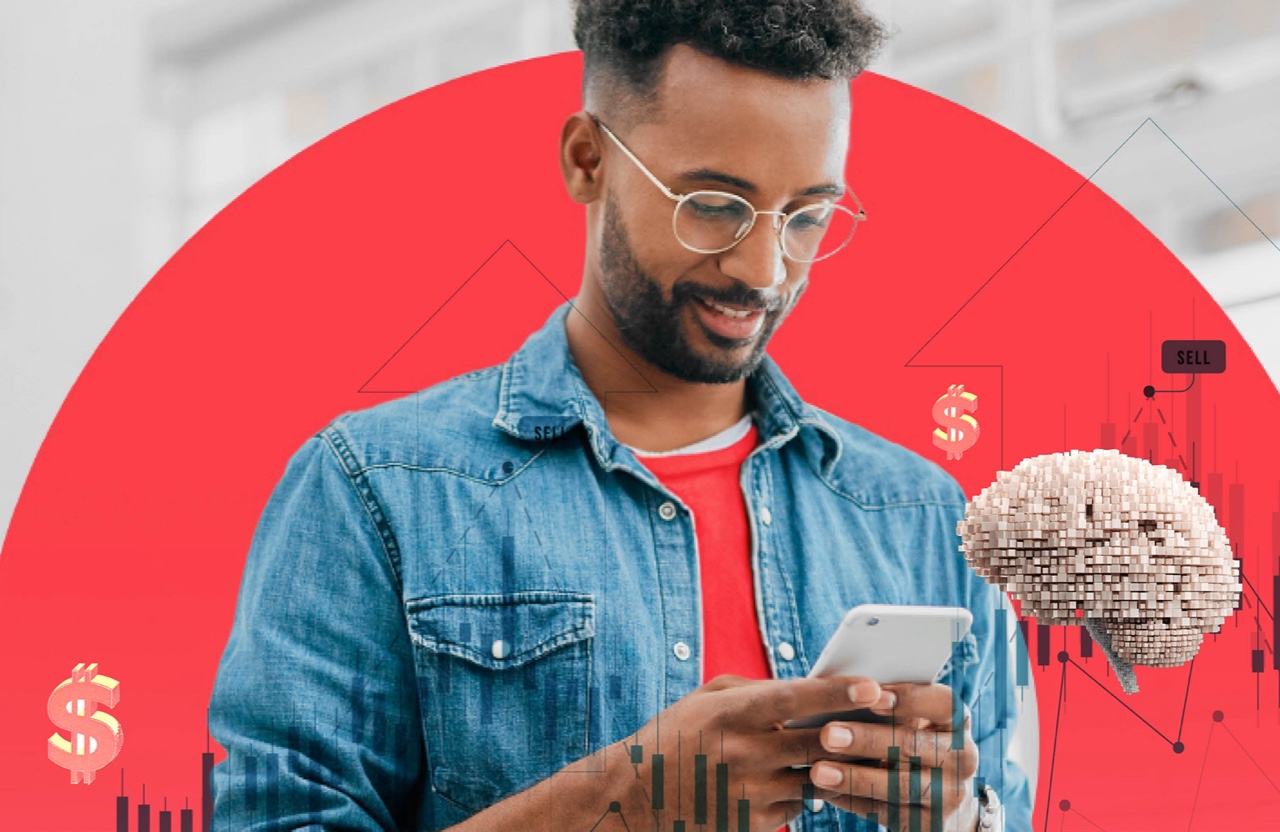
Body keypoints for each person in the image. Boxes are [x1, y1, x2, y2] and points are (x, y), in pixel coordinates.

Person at [208, 1, 1033, 830]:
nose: (764, 269)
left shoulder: (927, 518)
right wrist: (628, 801)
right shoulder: (377, 489)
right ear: (587, 158)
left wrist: (962, 818)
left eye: (808, 215)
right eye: (714, 204)